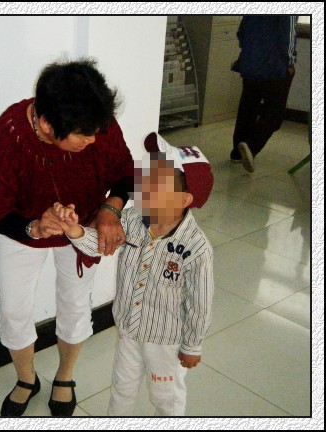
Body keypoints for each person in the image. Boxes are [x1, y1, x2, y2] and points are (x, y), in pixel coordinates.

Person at [0, 59, 134, 417]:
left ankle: (65, 376)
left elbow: (126, 173)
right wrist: (35, 227)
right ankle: (26, 378)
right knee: (14, 310)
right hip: (23, 228)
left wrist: (110, 209)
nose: (93, 140)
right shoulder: (8, 136)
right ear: (47, 125)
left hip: (82, 227)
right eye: (83, 135)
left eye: (96, 131)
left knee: (76, 304)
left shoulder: (94, 122)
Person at [53, 132, 215, 416]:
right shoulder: (132, 220)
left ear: (184, 199)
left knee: (166, 398)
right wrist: (74, 230)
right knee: (122, 388)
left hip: (165, 342)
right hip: (128, 330)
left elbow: (199, 303)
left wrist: (192, 346)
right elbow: (99, 242)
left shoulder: (196, 248)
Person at [230, 15, 298, 173]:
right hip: (275, 68)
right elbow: (288, 37)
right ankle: (250, 147)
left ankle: (236, 153)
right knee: (275, 114)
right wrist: (290, 62)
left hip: (250, 63)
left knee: (248, 108)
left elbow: (241, 32)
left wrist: (252, 52)